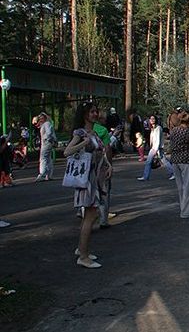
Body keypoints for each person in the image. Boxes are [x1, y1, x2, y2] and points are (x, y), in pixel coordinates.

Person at [64, 101, 113, 269]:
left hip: (96, 179)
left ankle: (81, 249)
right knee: (91, 216)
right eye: (92, 112)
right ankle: (83, 256)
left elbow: (101, 152)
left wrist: (108, 165)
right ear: (85, 114)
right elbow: (67, 151)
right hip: (87, 180)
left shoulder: (94, 131)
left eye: (96, 111)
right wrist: (83, 143)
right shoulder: (81, 132)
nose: (95, 114)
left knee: (91, 216)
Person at [169, 112, 189, 218]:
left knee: (180, 187)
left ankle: (183, 208)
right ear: (188, 122)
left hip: (175, 160)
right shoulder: (188, 132)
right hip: (186, 160)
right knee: (188, 187)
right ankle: (187, 212)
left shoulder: (173, 131)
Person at [137, 115, 175, 181]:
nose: (151, 120)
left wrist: (155, 149)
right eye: (150, 119)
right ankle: (173, 173)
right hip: (154, 148)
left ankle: (145, 176)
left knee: (150, 162)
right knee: (163, 161)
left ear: (156, 120)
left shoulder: (158, 128)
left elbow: (157, 139)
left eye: (153, 119)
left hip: (156, 148)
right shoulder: (153, 128)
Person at [35, 112, 57, 182]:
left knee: (43, 158)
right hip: (47, 143)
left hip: (46, 143)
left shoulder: (46, 124)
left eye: (42, 118)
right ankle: (49, 174)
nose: (41, 119)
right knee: (48, 158)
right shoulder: (46, 124)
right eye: (40, 118)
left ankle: (42, 174)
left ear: (45, 118)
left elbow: (49, 133)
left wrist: (46, 139)